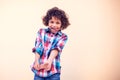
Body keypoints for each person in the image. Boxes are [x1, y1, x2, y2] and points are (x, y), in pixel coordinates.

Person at [31, 7, 70, 80]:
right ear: (47, 22)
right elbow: (38, 47)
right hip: (39, 71)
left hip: (53, 72)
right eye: (52, 22)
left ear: (62, 24)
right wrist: (36, 61)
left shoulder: (63, 37)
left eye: (57, 23)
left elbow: (56, 48)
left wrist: (49, 62)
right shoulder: (41, 32)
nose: (54, 25)